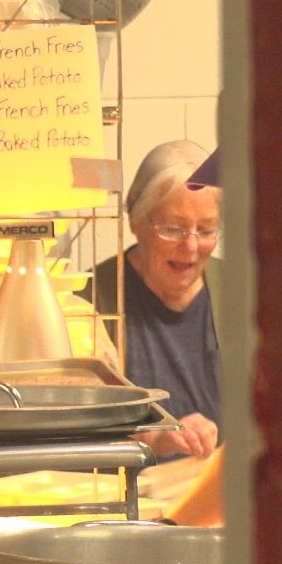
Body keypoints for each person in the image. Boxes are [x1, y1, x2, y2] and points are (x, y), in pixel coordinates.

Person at [87, 139, 224, 463]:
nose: (190, 248)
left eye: (205, 230)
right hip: (126, 503)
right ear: (136, 219)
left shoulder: (244, 293)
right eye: (173, 228)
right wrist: (155, 436)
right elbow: (79, 428)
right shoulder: (91, 301)